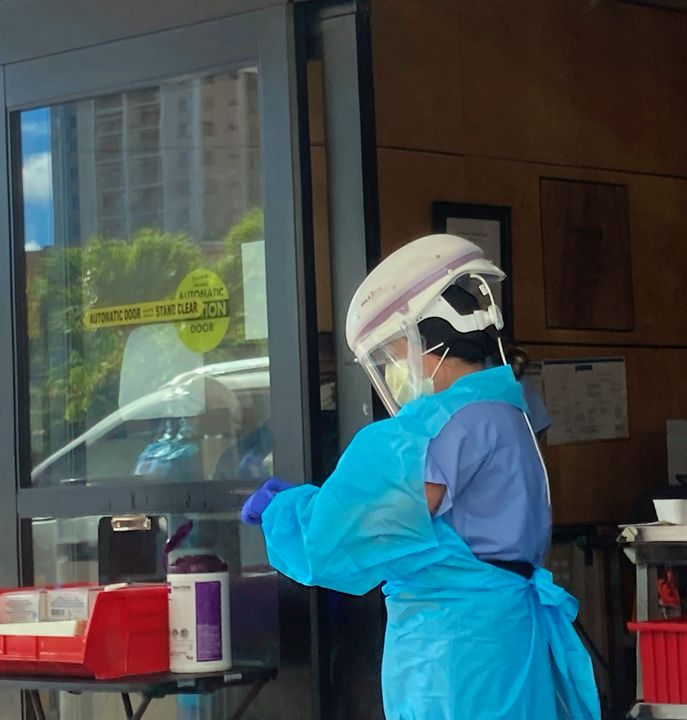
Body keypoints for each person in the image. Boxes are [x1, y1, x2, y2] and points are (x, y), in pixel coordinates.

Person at [240, 234, 599, 719]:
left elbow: (340, 538)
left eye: (392, 354)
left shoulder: (437, 429)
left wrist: (285, 512)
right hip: (506, 642)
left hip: (454, 657)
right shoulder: (509, 411)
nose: (393, 370)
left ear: (423, 342)